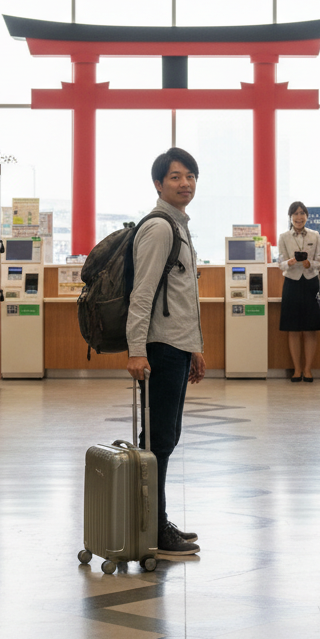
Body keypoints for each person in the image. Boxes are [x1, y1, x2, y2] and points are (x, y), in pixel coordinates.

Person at [126, 147, 206, 557]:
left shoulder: (181, 225)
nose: (185, 183)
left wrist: (195, 348)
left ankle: (156, 519)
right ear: (158, 183)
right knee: (157, 440)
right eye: (175, 177)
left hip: (177, 346)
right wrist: (137, 350)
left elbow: (183, 295)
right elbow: (142, 296)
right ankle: (153, 529)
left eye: (190, 175)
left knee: (166, 437)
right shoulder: (160, 228)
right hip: (159, 348)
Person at [278, 201, 320, 382]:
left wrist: (310, 263)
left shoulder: (315, 235)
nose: (299, 217)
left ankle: (308, 369)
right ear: (290, 217)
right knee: (293, 329)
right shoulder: (284, 237)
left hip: (311, 283)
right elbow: (279, 262)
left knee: (311, 329)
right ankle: (297, 370)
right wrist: (288, 262)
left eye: (302, 213)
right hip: (291, 283)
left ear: (306, 216)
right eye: (295, 214)